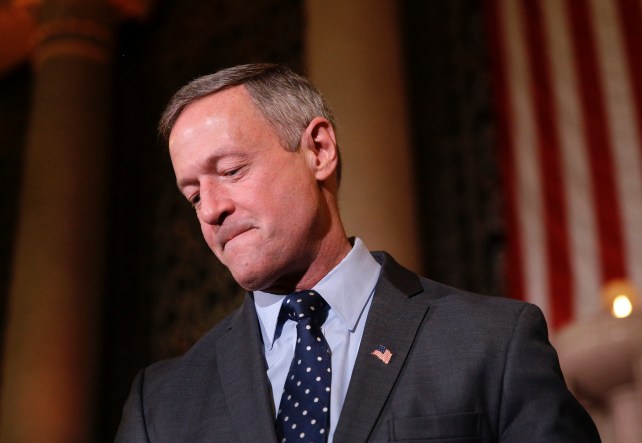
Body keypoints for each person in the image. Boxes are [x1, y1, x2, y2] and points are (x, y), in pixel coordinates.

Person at [115, 63, 600, 442]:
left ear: (319, 151)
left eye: (232, 170)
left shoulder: (492, 344)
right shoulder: (160, 404)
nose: (212, 210)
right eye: (194, 195)